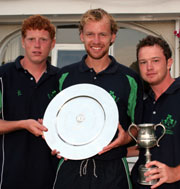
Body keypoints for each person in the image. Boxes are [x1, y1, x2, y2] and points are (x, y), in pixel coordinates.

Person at [52, 8, 143, 189]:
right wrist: (54, 141)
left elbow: (138, 127)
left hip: (114, 171)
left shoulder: (130, 79)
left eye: (102, 34)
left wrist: (126, 138)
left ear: (113, 36)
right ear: (81, 36)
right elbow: (52, 122)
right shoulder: (64, 76)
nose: (96, 41)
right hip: (70, 169)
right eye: (90, 34)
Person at [0, 15, 59, 188]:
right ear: (23, 42)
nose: (37, 45)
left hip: (52, 178)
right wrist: (22, 124)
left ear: (52, 43)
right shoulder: (3, 76)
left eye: (43, 39)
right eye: (31, 39)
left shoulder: (62, 79)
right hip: (10, 176)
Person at [131, 35, 180, 189]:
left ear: (169, 63)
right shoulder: (143, 103)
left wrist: (176, 173)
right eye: (143, 62)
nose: (149, 67)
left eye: (155, 60)